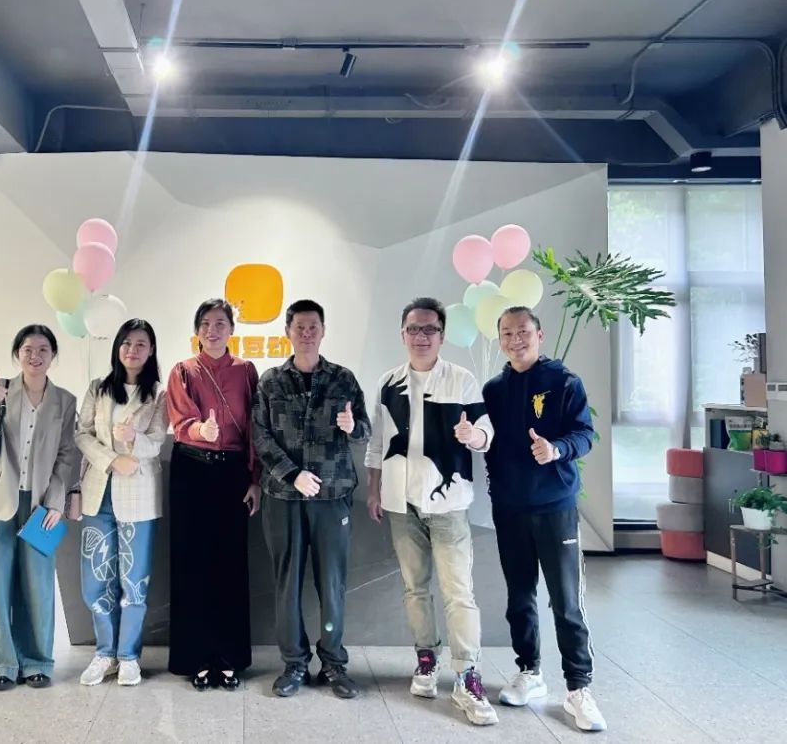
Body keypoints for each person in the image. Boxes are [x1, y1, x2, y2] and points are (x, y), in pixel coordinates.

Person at [364, 298, 498, 725]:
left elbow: (486, 432)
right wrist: (374, 489)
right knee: (414, 588)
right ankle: (426, 658)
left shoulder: (461, 379)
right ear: (402, 334)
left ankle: (468, 673)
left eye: (429, 329)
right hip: (400, 503)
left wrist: (473, 436)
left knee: (458, 591)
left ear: (441, 335)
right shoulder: (388, 382)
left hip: (448, 504)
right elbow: (377, 443)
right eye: (413, 329)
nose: (420, 336)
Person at [482, 306, 605, 733]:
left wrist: (556, 449)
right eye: (507, 333)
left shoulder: (564, 381)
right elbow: (488, 442)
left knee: (566, 601)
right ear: (500, 339)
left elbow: (584, 434)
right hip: (510, 508)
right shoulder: (494, 389)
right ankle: (529, 671)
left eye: (523, 332)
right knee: (519, 597)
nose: (515, 340)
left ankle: (578, 688)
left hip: (555, 506)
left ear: (540, 335)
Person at [252, 299, 370, 699]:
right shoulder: (270, 381)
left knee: (332, 583)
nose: (306, 333)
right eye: (299, 327)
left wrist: (353, 426)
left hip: (332, 496)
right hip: (283, 496)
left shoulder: (343, 379)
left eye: (313, 326)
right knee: (287, 582)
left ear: (323, 331)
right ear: (287, 331)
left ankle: (333, 662)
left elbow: (365, 430)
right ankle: (295, 663)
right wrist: (293, 474)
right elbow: (260, 437)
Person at [0, 324, 80, 691]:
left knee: (38, 583)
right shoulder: (0, 391)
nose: (35, 355)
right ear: (17, 354)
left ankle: (36, 661)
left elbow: (67, 454)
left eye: (43, 349)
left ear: (53, 356)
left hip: (41, 504)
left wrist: (56, 502)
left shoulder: (65, 401)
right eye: (28, 349)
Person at [166, 298, 261, 691]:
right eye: (205, 323)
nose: (212, 330)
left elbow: (255, 426)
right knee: (192, 564)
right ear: (197, 330)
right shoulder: (183, 370)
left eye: (220, 323)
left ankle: (229, 657)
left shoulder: (246, 370)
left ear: (231, 330)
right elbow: (179, 419)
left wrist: (255, 479)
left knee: (230, 564)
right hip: (191, 470)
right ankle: (197, 658)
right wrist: (198, 431)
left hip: (232, 473)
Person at [75, 318, 169, 688]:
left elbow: (157, 441)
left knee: (134, 580)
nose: (133, 350)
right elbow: (82, 434)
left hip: (139, 495)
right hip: (99, 493)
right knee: (96, 579)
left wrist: (133, 440)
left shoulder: (158, 394)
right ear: (118, 347)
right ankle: (105, 653)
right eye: (127, 343)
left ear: (151, 350)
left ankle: (128, 656)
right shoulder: (98, 388)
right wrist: (112, 458)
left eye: (141, 344)